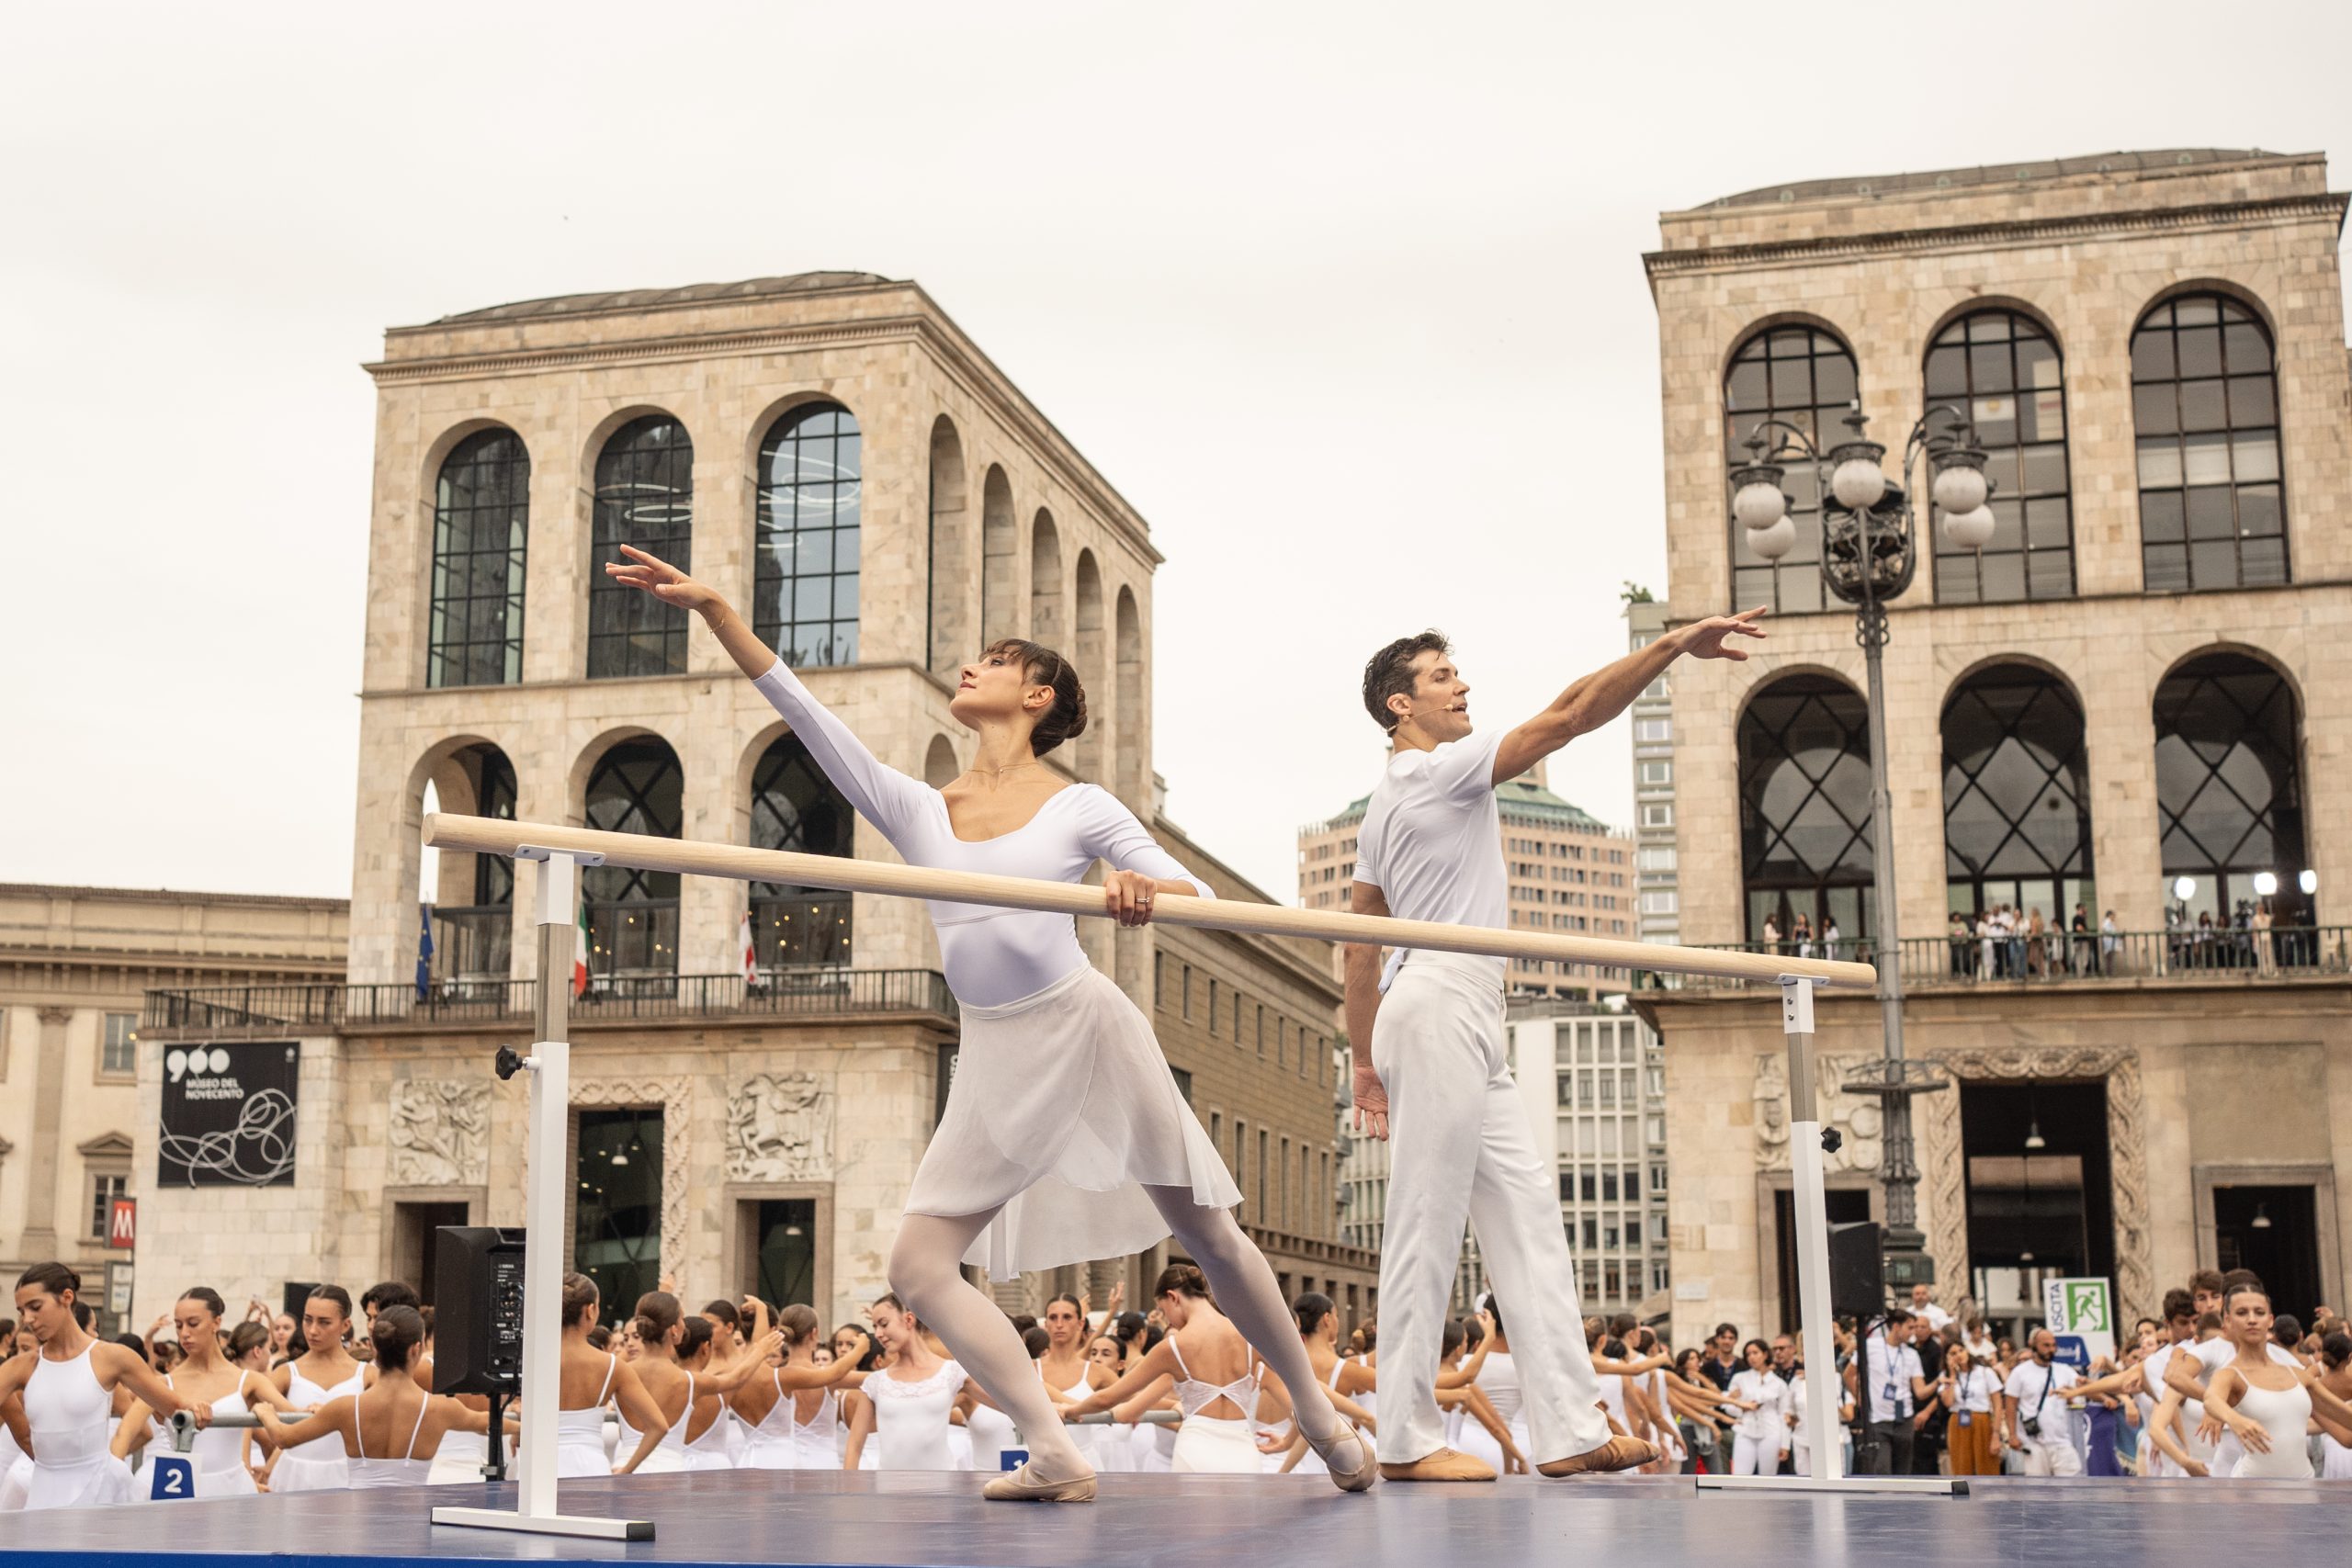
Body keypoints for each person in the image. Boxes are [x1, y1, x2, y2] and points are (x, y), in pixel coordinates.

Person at [605, 544, 1370, 1502]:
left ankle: (1312, 1406)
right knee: (918, 1268)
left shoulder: (1077, 804)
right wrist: (717, 610)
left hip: (1084, 1024)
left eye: (998, 659)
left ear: (1038, 695)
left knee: (1207, 1232)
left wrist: (1143, 883)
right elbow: (807, 716)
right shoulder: (920, 808)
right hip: (996, 1047)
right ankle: (1049, 1444)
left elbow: (1196, 892)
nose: (972, 665)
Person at [1344, 618, 1761, 1481]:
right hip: (1440, 1001)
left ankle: (1569, 1427)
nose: (1462, 687)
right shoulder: (1434, 769)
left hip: (1452, 1008)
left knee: (1529, 1217)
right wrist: (1673, 645)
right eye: (1442, 676)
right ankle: (1406, 1438)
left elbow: (1358, 943)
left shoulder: (1389, 798)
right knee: (1426, 1215)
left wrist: (1361, 1062)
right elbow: (1570, 715)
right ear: (1401, 705)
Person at [254, 1307, 506, 1490]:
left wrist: (266, 1413)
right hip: (412, 1521)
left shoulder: (345, 1407)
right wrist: (527, 1424)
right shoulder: (442, 1408)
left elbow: (284, 1438)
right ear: (416, 1349)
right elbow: (489, 1422)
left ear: (375, 1347)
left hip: (359, 1518)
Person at [111, 1287, 301, 1496]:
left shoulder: (248, 1380)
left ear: (216, 1322)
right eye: (178, 1325)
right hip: (178, 1486)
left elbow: (296, 1418)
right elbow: (124, 1433)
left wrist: (310, 1411)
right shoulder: (164, 1384)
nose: (185, 1333)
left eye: (193, 1324)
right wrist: (112, 1482)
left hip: (232, 1486)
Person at [2199, 1286, 2352, 1480]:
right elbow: (2211, 1399)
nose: (2252, 1319)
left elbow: (2345, 1423)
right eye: (2242, 1313)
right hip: (2253, 1490)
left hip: (2304, 1488)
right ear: (2228, 1321)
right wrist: (2234, 1419)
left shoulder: (2298, 1375)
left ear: (2270, 1320)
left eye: (2259, 1312)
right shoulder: (2230, 1375)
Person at [842, 1295, 983, 1472]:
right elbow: (854, 1447)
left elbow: (1007, 1404)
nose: (877, 1334)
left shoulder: (952, 1373)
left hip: (942, 1491)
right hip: (890, 1491)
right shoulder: (874, 1383)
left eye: (884, 1324)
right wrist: (849, 1494)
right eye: (875, 1327)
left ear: (909, 1319)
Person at [551, 1273, 668, 1477]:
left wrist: (518, 1433)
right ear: (590, 1310)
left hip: (537, 1464)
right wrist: (626, 1470)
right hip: (588, 1466)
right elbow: (658, 1426)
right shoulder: (613, 1366)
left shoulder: (532, 1358)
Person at [729, 1303, 865, 1470]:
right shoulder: (794, 1378)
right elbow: (875, 1377)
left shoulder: (775, 1378)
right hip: (821, 1464)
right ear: (814, 1333)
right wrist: (861, 1349)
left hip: (773, 1462)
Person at [266, 1285, 366, 1494]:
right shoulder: (286, 1373)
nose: (312, 1330)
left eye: (324, 1322)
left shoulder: (367, 1375)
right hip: (293, 1474)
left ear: (345, 1325)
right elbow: (252, 1410)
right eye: (308, 1319)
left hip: (346, 1475)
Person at [1854, 1308, 1928, 1475]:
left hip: (1905, 1420)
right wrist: (1862, 1399)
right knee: (1882, 1471)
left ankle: (1902, 1502)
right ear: (1896, 1327)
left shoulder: (1912, 1354)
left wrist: (1940, 1381)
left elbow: (1920, 1391)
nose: (1913, 1332)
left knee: (1903, 1473)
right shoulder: (1870, 1346)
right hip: (1879, 1420)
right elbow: (1850, 1373)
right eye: (1910, 1327)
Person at [2002, 1327, 2082, 1476]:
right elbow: (2010, 1405)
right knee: (2039, 1492)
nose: (2051, 1349)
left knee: (2072, 1488)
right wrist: (2012, 1435)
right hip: (2033, 1443)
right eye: (2046, 1345)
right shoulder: (2020, 1372)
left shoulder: (2064, 1371)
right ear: (2034, 1345)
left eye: (2053, 1345)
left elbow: (2077, 1398)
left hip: (2061, 1442)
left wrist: (2071, 1395)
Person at [1936, 1342, 2001, 1475]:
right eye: (1953, 1353)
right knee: (1961, 1467)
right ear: (1947, 1357)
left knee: (1987, 1466)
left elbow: (1998, 1405)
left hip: (1982, 1420)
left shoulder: (1985, 1372)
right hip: (1958, 1420)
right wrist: (1953, 1375)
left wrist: (1996, 1434)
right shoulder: (1946, 1377)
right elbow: (1948, 1402)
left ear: (1967, 1350)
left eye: (1961, 1350)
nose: (1959, 1355)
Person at [1724, 1339, 1787, 1476]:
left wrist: (1785, 1444)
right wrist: (1741, 1406)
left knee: (1768, 1477)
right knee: (1740, 1475)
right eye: (1748, 1354)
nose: (1751, 1357)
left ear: (1765, 1354)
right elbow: (1729, 1408)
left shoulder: (1778, 1383)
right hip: (1746, 1430)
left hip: (1771, 1431)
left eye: (1755, 1353)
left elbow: (1784, 1414)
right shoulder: (1739, 1378)